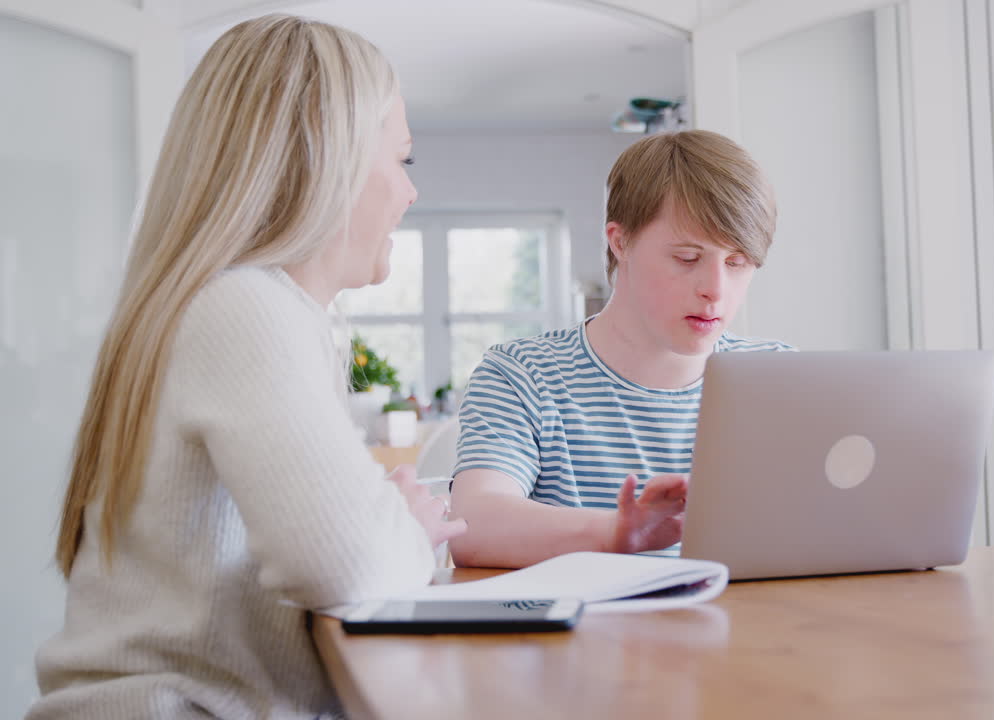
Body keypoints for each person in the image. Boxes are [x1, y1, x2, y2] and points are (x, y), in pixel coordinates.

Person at [28, 15, 465, 720]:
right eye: (402, 161)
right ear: (328, 160)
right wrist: (407, 531)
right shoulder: (244, 307)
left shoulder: (225, 305)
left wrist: (384, 523)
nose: (410, 194)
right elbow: (349, 562)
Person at [448, 129, 789, 569]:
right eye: (688, 258)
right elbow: (472, 526)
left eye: (737, 263)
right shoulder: (522, 375)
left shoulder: (777, 375)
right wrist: (617, 533)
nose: (716, 290)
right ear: (620, 241)